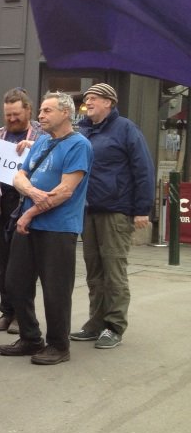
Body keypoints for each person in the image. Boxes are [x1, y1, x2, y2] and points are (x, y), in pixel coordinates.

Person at [0, 92, 93, 366]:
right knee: (15, 282)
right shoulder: (41, 141)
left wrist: (29, 213)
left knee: (56, 289)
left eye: (47, 110)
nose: (40, 115)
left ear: (66, 113)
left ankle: (58, 345)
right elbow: (19, 175)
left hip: (58, 228)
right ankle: (30, 338)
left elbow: (65, 191)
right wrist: (31, 192)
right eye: (40, 110)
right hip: (30, 225)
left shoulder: (79, 145)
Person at [72, 83, 154, 349]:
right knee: (94, 272)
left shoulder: (126, 129)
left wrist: (142, 209)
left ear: (109, 102)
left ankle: (114, 326)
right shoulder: (83, 130)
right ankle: (95, 323)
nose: (88, 102)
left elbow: (143, 169)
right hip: (88, 210)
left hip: (117, 210)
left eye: (94, 98)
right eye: (87, 98)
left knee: (114, 271)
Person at [0, 88, 44, 333]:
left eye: (16, 114)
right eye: (8, 115)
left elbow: (53, 165)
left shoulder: (42, 136)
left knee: (23, 267)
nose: (12, 119)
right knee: (3, 265)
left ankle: (22, 316)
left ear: (28, 110)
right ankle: (7, 312)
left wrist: (34, 149)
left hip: (27, 208)